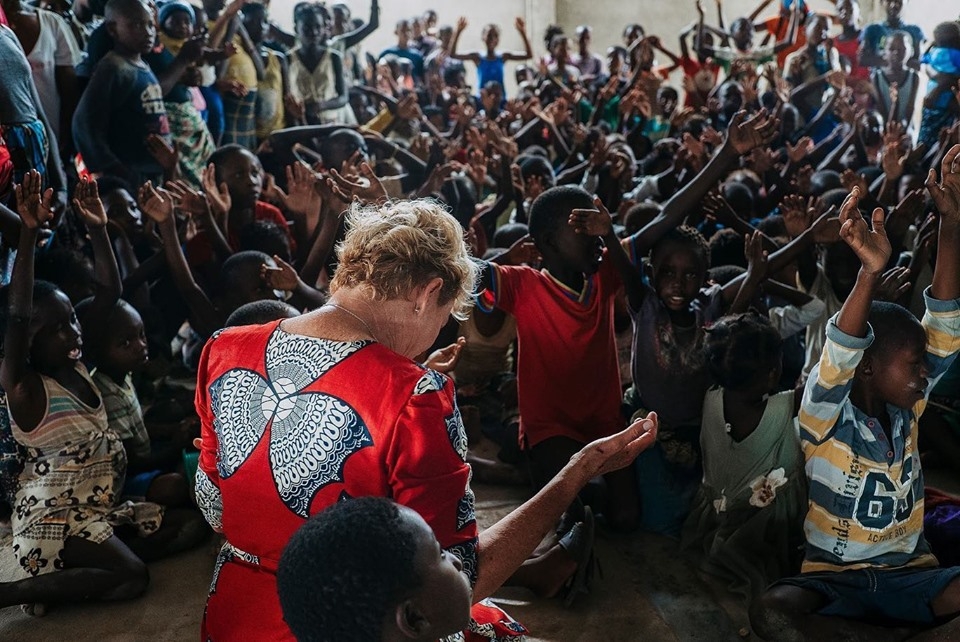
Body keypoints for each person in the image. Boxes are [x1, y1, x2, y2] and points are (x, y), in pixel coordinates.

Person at [192, 197, 659, 640]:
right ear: (428, 292)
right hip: (352, 629)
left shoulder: (224, 346)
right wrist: (578, 471)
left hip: (234, 618)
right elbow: (453, 592)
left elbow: (215, 508)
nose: (434, 336)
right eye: (443, 317)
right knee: (492, 627)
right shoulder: (416, 395)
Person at [751, 149, 960, 639]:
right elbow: (839, 352)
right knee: (771, 612)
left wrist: (952, 226)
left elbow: (946, 327)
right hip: (834, 582)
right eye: (912, 364)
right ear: (867, 368)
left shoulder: (909, 409)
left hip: (912, 575)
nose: (924, 373)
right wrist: (870, 272)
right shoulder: (824, 418)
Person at [0, 172, 162, 611]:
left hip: (97, 507)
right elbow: (16, 316)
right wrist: (28, 236)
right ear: (28, 344)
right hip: (53, 519)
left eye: (71, 318)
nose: (72, 332)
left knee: (183, 528)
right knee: (133, 577)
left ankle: (75, 576)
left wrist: (97, 227)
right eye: (53, 329)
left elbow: (108, 291)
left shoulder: (76, 359)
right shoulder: (26, 389)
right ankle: (14, 593)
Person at [681, 312, 806, 602]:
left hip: (716, 509)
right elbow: (829, 379)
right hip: (767, 522)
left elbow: (725, 343)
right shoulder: (785, 406)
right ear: (773, 373)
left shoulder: (710, 396)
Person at [72, 0, 171, 187]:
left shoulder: (141, 65)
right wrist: (112, 168)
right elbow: (83, 124)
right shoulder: (113, 68)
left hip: (150, 172)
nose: (148, 32)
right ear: (112, 29)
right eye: (137, 25)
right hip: (129, 173)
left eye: (150, 24)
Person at [287, 4, 352, 126]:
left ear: (324, 29)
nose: (314, 32)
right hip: (299, 125)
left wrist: (321, 105)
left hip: (330, 124)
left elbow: (343, 97)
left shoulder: (334, 57)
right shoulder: (288, 59)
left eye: (318, 27)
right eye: (307, 28)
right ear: (296, 29)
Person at [450, 16, 533, 97]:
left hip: (500, 101)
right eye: (489, 36)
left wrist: (522, 32)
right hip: (482, 101)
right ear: (483, 37)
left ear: (498, 40)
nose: (492, 39)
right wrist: (458, 31)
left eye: (495, 36)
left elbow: (528, 55)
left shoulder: (502, 57)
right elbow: (453, 54)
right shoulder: (478, 57)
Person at [859, 0, 924, 70]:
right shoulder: (872, 30)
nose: (893, 5)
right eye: (889, 1)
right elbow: (862, 60)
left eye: (898, 1)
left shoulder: (915, 31)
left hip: (907, 80)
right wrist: (900, 61)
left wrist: (883, 60)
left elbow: (918, 63)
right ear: (881, 2)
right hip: (878, 79)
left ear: (906, 1)